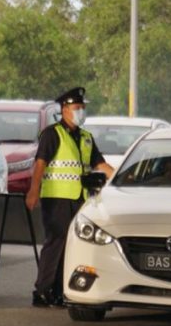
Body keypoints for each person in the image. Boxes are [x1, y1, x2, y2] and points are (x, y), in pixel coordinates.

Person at [26, 87, 114, 308]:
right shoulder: (52, 134)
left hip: (80, 199)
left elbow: (100, 165)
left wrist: (121, 179)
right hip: (56, 198)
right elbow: (40, 164)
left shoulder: (86, 137)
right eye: (77, 108)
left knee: (71, 246)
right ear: (64, 109)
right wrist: (33, 191)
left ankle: (60, 290)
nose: (81, 112)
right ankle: (43, 291)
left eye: (83, 108)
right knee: (56, 243)